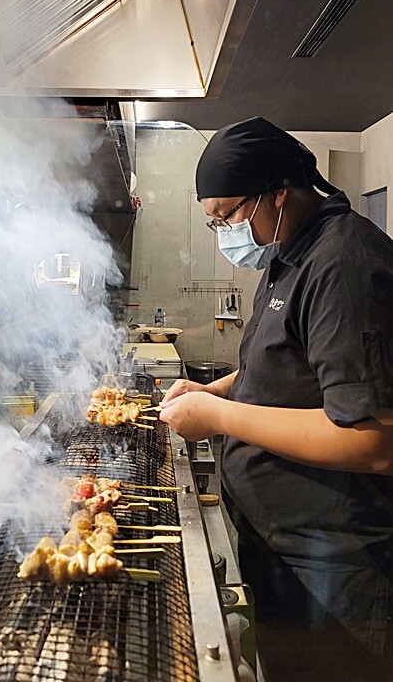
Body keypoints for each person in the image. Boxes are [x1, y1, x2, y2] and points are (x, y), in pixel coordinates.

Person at [160, 117, 393, 682]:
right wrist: (213, 389)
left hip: (334, 570)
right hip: (284, 549)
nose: (223, 232)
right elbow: (281, 366)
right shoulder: (287, 250)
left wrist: (217, 416)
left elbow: (373, 439)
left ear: (278, 195)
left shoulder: (343, 265)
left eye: (227, 216)